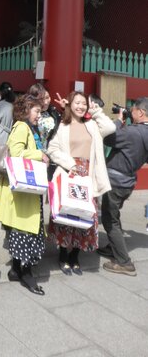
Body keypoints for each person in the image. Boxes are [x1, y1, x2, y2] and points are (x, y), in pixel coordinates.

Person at [47, 92, 114, 275]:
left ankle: (75, 255)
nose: (81, 106)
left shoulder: (92, 125)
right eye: (77, 103)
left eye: (84, 103)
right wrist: (70, 164)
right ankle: (63, 254)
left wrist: (96, 111)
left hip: (88, 176)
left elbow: (110, 127)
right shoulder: (63, 125)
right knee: (67, 215)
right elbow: (52, 149)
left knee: (84, 216)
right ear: (70, 104)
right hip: (69, 173)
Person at [0, 94, 49, 295]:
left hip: (26, 191)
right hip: (23, 192)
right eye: (36, 111)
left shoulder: (27, 127)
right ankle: (26, 273)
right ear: (25, 110)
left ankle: (16, 270)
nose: (39, 115)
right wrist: (39, 155)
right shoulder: (22, 127)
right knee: (25, 231)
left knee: (21, 230)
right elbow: (16, 153)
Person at [98, 97, 148, 276]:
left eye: (132, 109)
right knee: (114, 215)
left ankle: (124, 262)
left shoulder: (133, 132)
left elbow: (108, 138)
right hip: (128, 181)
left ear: (141, 112)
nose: (130, 112)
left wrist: (119, 121)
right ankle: (113, 247)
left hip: (116, 182)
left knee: (109, 220)